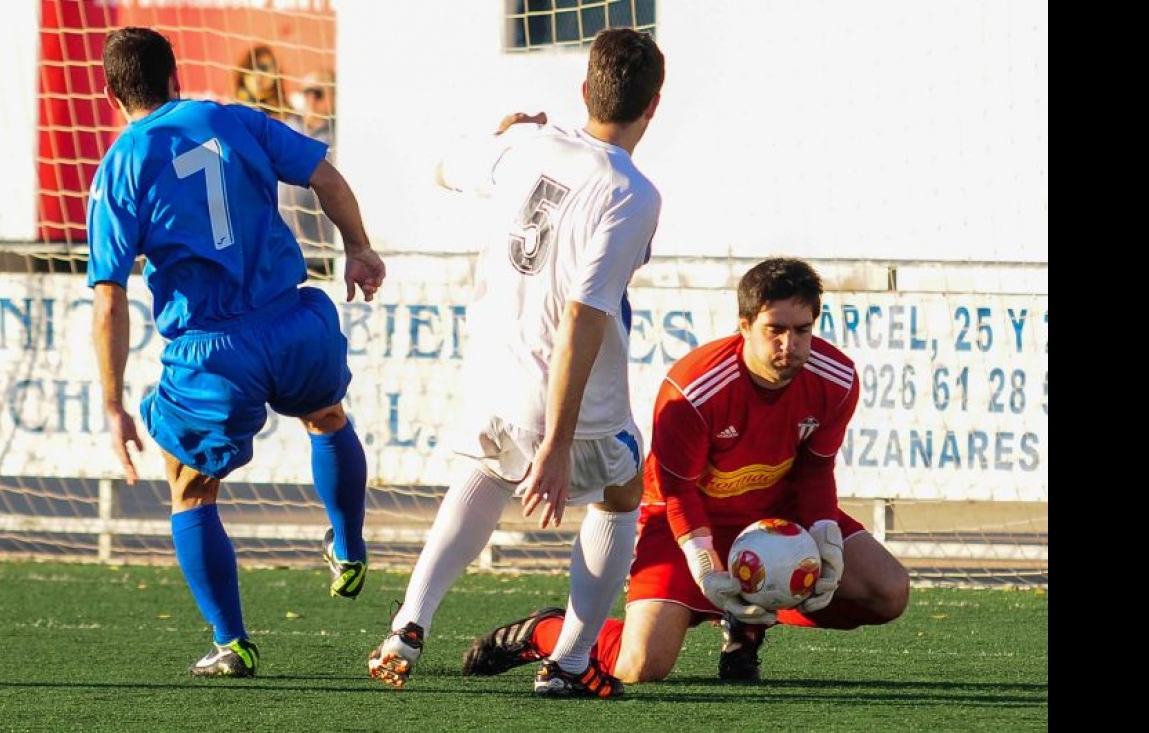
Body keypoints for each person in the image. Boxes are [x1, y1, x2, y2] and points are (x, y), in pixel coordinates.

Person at [366, 28, 665, 699]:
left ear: (585, 91)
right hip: (563, 400)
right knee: (622, 492)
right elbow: (584, 317)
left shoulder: (528, 143)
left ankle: (409, 624)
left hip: (492, 380)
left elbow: (446, 167)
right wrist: (558, 443)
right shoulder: (631, 193)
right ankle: (570, 660)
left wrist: (502, 135)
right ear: (655, 105)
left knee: (485, 474)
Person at [85, 27, 387, 679]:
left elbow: (109, 296)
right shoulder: (231, 117)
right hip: (294, 319)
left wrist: (112, 403)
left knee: (190, 490)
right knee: (327, 415)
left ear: (111, 94)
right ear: (176, 77)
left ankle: (234, 641)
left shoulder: (123, 162)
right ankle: (350, 540)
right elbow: (324, 177)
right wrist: (358, 247)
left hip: (214, 350)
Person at [460, 257, 912, 685]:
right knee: (639, 665)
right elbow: (677, 491)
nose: (789, 346)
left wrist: (824, 536)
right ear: (745, 326)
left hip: (777, 517)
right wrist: (704, 563)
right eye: (775, 330)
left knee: (888, 591)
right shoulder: (693, 389)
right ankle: (545, 630)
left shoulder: (836, 378)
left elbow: (815, 470)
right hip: (685, 520)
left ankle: (748, 614)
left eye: (802, 330)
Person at [280, 69, 338, 278]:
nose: (312, 100)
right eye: (307, 93)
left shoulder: (340, 138)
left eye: (319, 93)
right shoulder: (287, 130)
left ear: (334, 96)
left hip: (321, 257)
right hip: (284, 254)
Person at [232, 44, 290, 120]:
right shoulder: (232, 108)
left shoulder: (287, 111)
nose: (258, 74)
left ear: (275, 71)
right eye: (251, 68)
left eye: (263, 68)